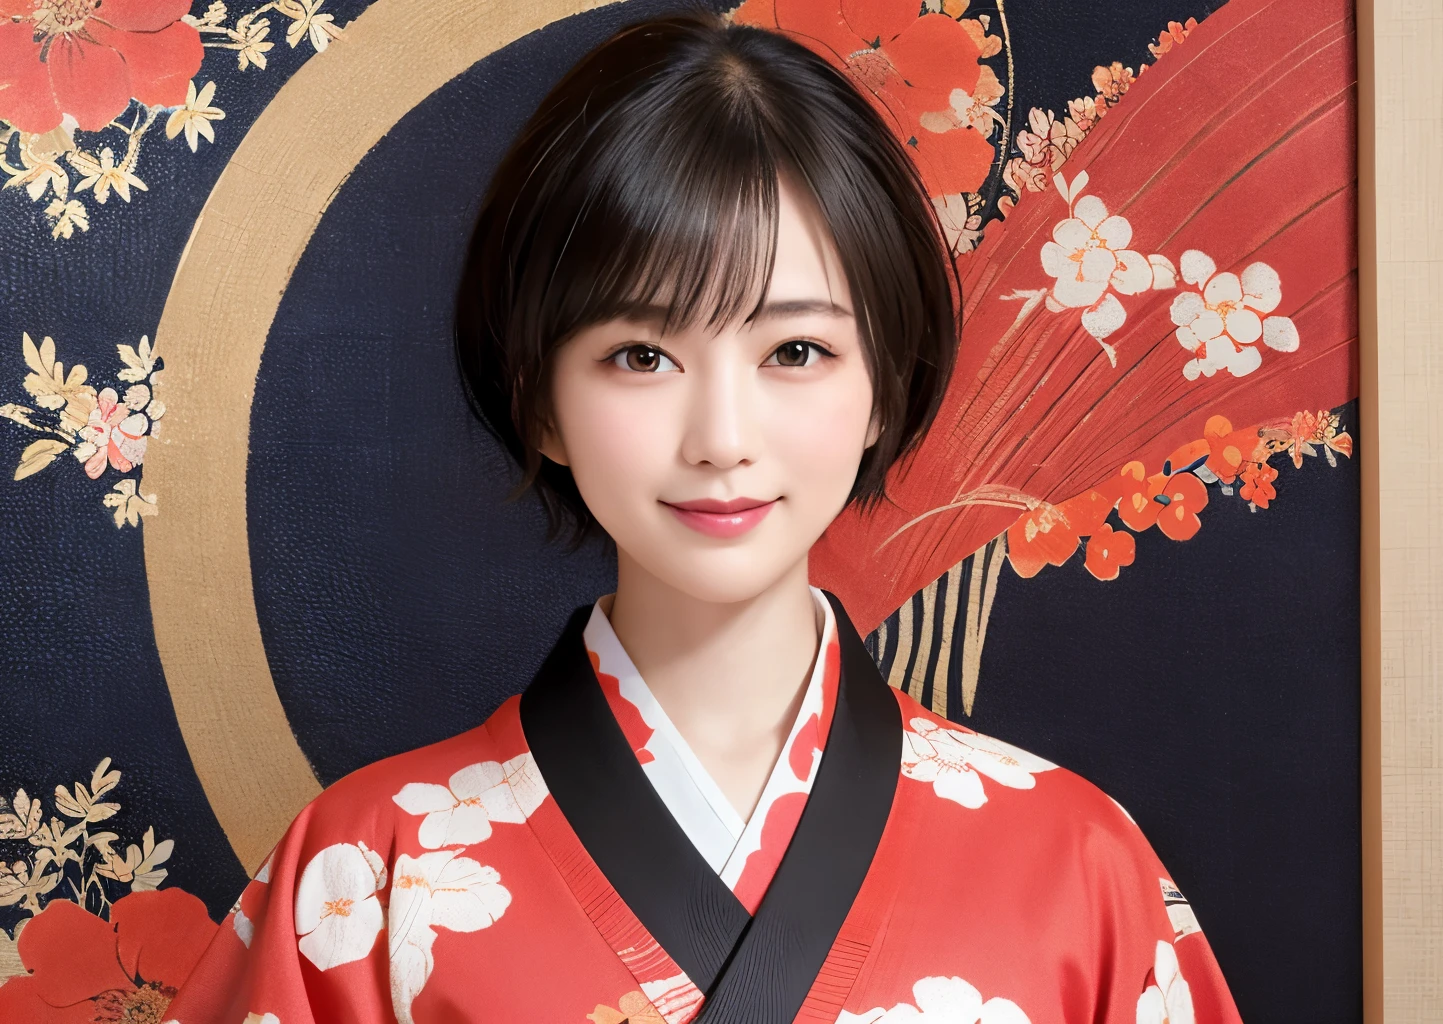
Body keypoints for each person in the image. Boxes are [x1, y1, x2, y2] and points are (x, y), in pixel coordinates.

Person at [165, 11, 1242, 1023]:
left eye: (796, 352)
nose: (721, 436)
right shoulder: (364, 873)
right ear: (539, 395)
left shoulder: (1078, 861)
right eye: (643, 355)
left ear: (885, 384)